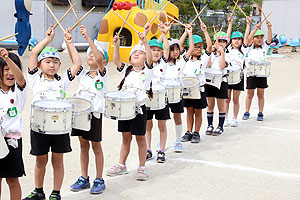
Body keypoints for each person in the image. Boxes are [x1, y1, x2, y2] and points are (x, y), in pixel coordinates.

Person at [24, 27, 82, 200]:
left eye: (55, 62)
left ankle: (56, 193)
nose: (52, 65)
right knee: (40, 160)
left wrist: (70, 43)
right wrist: (48, 40)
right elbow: (33, 53)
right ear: (41, 64)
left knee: (58, 160)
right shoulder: (35, 79)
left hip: (59, 128)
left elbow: (77, 64)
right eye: (48, 61)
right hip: (39, 127)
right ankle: (38, 191)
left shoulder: (62, 81)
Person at [106, 30, 153, 181]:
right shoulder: (127, 71)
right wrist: (116, 46)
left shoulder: (147, 72)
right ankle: (122, 165)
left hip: (138, 109)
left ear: (145, 57)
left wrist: (145, 42)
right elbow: (117, 61)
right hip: (124, 109)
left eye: (141, 54)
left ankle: (141, 167)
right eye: (134, 54)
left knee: (140, 138)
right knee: (125, 138)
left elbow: (151, 59)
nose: (137, 55)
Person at [69, 25, 108, 194]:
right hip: (80, 113)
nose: (91, 55)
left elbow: (98, 57)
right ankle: (84, 177)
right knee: (83, 145)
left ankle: (99, 179)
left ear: (103, 61)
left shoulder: (102, 74)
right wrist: (69, 41)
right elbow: (74, 58)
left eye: (95, 53)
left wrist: (89, 40)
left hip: (94, 113)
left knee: (96, 146)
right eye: (90, 53)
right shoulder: (82, 74)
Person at [0, 48, 26, 200]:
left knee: (12, 179)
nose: (10, 73)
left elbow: (21, 79)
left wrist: (7, 58)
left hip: (12, 141)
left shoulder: (18, 92)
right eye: (5, 69)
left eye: (13, 69)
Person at [144, 22, 171, 163]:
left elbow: (167, 47)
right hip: (148, 98)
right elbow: (141, 47)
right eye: (152, 50)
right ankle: (148, 150)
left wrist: (164, 33)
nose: (155, 52)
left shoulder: (163, 63)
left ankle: (161, 150)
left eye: (157, 50)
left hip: (161, 98)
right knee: (148, 125)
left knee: (162, 125)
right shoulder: (146, 64)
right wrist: (146, 32)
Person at [181, 22, 212, 143]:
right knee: (189, 110)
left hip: (199, 89)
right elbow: (180, 45)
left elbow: (209, 47)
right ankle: (188, 131)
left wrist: (205, 31)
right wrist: (187, 32)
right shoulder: (185, 58)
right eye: (196, 46)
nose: (199, 49)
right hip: (187, 89)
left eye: (201, 46)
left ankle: (196, 132)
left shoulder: (203, 58)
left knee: (198, 111)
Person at [165, 24, 194, 152]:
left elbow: (191, 48)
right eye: (173, 49)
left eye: (177, 49)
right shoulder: (163, 62)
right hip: (164, 93)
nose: (176, 51)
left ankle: (178, 141)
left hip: (176, 93)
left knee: (177, 117)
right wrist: (164, 33)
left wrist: (189, 33)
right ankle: (161, 143)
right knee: (162, 120)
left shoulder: (181, 62)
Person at [242, 20, 272, 121]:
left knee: (261, 94)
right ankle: (247, 111)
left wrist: (269, 28)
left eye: (261, 37)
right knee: (250, 94)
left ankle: (260, 112)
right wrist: (255, 29)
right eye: (257, 37)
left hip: (262, 75)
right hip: (251, 74)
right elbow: (248, 38)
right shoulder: (249, 48)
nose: (259, 39)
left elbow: (269, 39)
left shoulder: (264, 47)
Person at [224, 16, 251, 127]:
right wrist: (230, 23)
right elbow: (227, 35)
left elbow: (246, 37)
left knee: (236, 99)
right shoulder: (228, 48)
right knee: (226, 99)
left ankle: (234, 118)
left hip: (238, 76)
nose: (237, 41)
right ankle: (225, 117)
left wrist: (248, 24)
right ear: (231, 41)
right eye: (235, 39)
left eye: (239, 39)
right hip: (227, 74)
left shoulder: (243, 50)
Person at [205, 31, 229, 136]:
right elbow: (208, 64)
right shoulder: (209, 54)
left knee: (221, 105)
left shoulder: (227, 54)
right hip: (209, 80)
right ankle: (210, 125)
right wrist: (211, 52)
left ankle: (220, 126)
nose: (221, 43)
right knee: (210, 105)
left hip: (221, 81)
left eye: (224, 41)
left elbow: (222, 66)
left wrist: (222, 53)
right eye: (219, 41)